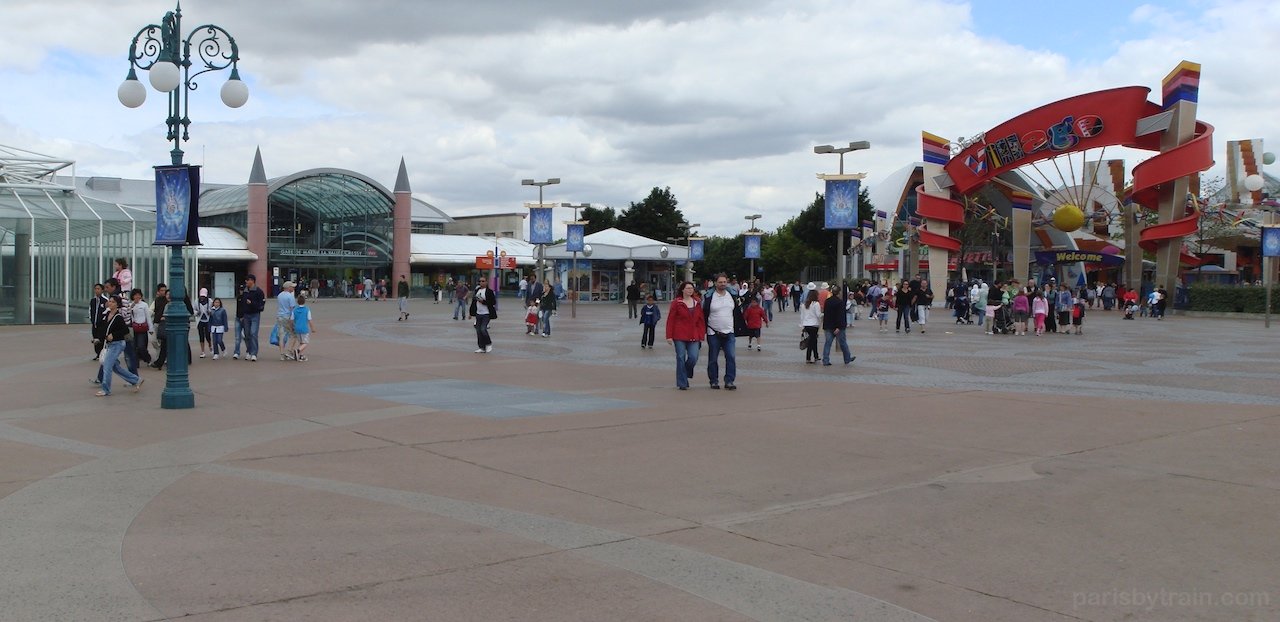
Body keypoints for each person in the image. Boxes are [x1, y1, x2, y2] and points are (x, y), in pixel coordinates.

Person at [95, 295, 144, 397]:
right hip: (109, 344)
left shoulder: (118, 317)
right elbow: (103, 329)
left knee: (107, 366)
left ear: (117, 304)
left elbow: (125, 330)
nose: (110, 303)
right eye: (110, 301)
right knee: (115, 367)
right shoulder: (107, 314)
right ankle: (136, 379)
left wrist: (114, 335)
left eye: (113, 302)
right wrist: (98, 338)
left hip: (117, 344)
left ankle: (106, 389)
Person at [701, 274, 743, 390]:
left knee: (731, 356)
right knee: (713, 358)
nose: (723, 284)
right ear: (715, 283)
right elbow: (703, 311)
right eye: (720, 282)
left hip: (729, 331)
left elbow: (738, 310)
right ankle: (713, 380)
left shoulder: (732, 295)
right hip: (713, 332)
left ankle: (729, 380)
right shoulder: (709, 296)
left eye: (724, 282)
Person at [664, 281, 705, 390]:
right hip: (679, 335)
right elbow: (670, 319)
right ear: (682, 290)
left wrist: (701, 334)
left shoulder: (697, 302)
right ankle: (682, 382)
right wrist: (669, 335)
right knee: (681, 357)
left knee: (693, 357)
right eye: (687, 288)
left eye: (691, 288)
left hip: (694, 334)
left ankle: (685, 371)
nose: (690, 290)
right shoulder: (677, 303)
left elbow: (701, 320)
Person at [821, 286, 854, 366]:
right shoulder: (840, 302)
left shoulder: (827, 301)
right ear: (839, 293)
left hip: (828, 326)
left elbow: (826, 314)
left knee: (827, 343)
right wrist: (839, 327)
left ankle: (825, 360)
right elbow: (841, 316)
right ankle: (847, 358)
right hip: (838, 327)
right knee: (843, 343)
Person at [238, 275, 266, 361]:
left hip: (255, 315)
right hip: (246, 315)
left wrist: (252, 303)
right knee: (247, 334)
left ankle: (254, 353)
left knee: (253, 333)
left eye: (247, 280)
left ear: (252, 281)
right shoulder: (245, 292)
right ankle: (249, 351)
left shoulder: (259, 291)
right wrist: (241, 315)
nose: (246, 282)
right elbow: (242, 304)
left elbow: (261, 306)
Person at [470, 281, 498, 353]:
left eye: (483, 281)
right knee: (478, 331)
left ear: (486, 282)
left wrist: (483, 301)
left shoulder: (489, 291)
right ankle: (482, 347)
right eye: (479, 281)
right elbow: (473, 302)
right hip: (478, 313)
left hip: (486, 313)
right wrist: (471, 313)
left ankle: (488, 343)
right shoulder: (477, 290)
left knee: (483, 329)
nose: (481, 283)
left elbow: (493, 302)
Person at [275, 281, 298, 361]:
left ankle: (282, 354)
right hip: (287, 317)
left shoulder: (279, 295)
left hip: (280, 316)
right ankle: (289, 351)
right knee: (294, 334)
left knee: (281, 335)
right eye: (292, 287)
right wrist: (293, 319)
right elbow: (292, 309)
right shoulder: (290, 296)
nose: (293, 288)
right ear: (288, 287)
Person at [128, 288, 153, 366]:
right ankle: (136, 363)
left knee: (141, 346)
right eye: (135, 295)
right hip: (134, 327)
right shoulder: (131, 305)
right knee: (134, 346)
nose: (137, 296)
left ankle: (147, 358)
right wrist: (132, 306)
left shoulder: (144, 305)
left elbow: (148, 317)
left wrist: (150, 328)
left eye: (138, 295)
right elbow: (128, 314)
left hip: (142, 327)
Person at [800, 289, 822, 363]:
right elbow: (818, 315)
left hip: (806, 325)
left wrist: (802, 326)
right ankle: (808, 358)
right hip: (814, 325)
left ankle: (816, 356)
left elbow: (802, 316)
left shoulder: (804, 304)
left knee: (814, 340)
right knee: (811, 341)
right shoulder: (816, 304)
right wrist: (824, 314)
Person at [291, 294, 313, 361]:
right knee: (305, 342)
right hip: (304, 328)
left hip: (297, 328)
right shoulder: (307, 310)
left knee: (301, 342)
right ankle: (298, 351)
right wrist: (313, 328)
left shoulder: (294, 310)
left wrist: (292, 326)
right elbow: (309, 319)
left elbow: (291, 319)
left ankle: (300, 355)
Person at [195, 287, 213, 358]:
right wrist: (197, 312)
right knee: (201, 336)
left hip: (207, 320)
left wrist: (210, 311)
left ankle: (210, 346)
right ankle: (202, 351)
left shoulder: (210, 301)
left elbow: (213, 309)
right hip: (200, 321)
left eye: (204, 296)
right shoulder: (196, 301)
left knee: (208, 335)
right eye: (201, 296)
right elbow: (194, 310)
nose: (202, 298)